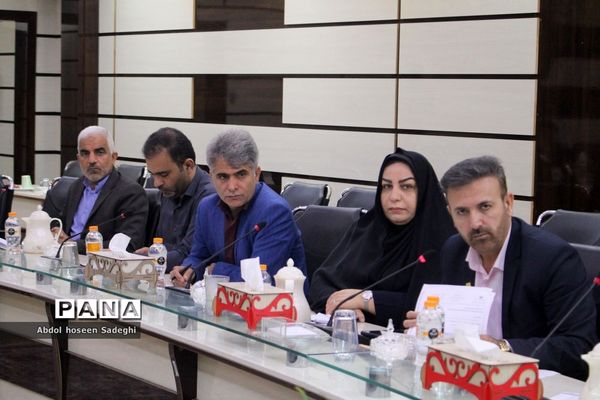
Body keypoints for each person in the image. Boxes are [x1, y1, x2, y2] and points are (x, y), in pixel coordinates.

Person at [405, 155, 597, 380]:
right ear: (450, 215)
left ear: (508, 203)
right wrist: (433, 325)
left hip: (531, 383)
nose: (475, 223)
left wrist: (501, 348)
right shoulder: (453, 251)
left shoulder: (551, 257)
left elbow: (578, 345)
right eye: (462, 212)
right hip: (469, 378)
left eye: (485, 207)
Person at [309, 149, 456, 327]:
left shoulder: (444, 241)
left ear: (424, 190)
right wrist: (341, 307)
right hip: (352, 333)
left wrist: (365, 299)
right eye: (387, 186)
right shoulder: (367, 228)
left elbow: (429, 308)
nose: (394, 197)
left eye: (406, 186)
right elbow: (321, 280)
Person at [171, 128, 306, 286]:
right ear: (211, 176)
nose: (232, 186)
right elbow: (199, 257)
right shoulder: (206, 208)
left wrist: (216, 270)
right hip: (222, 297)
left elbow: (261, 279)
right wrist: (189, 271)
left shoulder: (275, 212)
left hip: (279, 300)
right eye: (223, 177)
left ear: (256, 174)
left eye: (241, 174)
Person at [49, 126, 148, 254]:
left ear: (113, 157)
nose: (92, 160)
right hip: (65, 257)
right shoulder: (76, 187)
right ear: (78, 159)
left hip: (99, 262)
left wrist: (72, 245)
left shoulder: (131, 193)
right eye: (85, 153)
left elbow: (128, 245)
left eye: (99, 152)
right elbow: (62, 226)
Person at [135, 127, 215, 271]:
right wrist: (151, 253)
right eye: (153, 175)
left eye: (163, 175)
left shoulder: (209, 196)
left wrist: (146, 261)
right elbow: (162, 245)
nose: (157, 183)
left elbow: (189, 254)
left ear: (188, 166)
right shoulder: (169, 189)